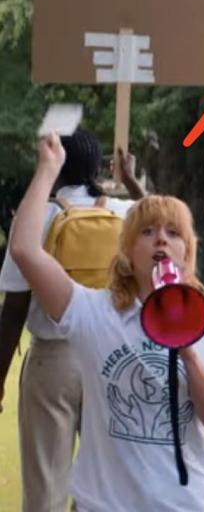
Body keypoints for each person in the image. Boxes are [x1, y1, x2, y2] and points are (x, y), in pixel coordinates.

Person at [8, 134, 204, 511]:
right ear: (130, 252)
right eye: (147, 233)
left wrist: (189, 353)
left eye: (173, 233)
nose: (161, 241)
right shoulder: (94, 314)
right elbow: (24, 251)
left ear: (187, 251)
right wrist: (47, 170)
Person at [0, 132, 142, 512]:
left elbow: (14, 307)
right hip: (112, 358)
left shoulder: (37, 216)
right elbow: (167, 226)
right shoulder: (123, 212)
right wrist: (130, 182)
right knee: (102, 485)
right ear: (97, 167)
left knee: (46, 482)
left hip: (53, 358)